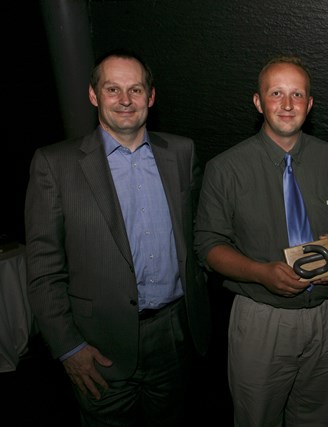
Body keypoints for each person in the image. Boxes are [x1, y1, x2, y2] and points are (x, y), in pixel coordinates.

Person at [24, 48, 212, 426]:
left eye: (136, 90)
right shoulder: (54, 165)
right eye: (113, 90)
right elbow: (44, 269)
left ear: (151, 96)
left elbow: (196, 236)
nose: (125, 100)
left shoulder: (181, 152)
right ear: (94, 96)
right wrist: (69, 348)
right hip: (99, 348)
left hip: (175, 338)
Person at [193, 55, 328, 426]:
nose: (287, 105)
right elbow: (208, 245)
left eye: (297, 95)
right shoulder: (225, 169)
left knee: (320, 419)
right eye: (276, 94)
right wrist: (260, 272)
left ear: (310, 104)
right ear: (258, 102)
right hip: (261, 318)